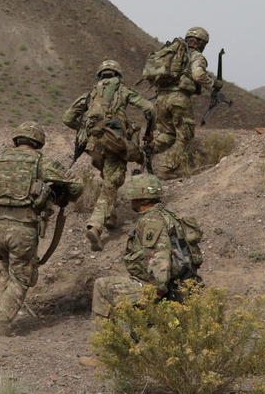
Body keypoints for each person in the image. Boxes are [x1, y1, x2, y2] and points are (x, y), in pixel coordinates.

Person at [0, 122, 83, 329]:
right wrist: (62, 199)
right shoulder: (41, 162)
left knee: (7, 268)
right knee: (22, 278)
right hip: (22, 228)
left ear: (17, 139)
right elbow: (77, 184)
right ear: (38, 141)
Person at [62, 60, 156, 251]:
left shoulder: (90, 95)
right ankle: (95, 225)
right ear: (117, 75)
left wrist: (85, 132)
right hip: (115, 144)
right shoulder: (122, 91)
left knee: (108, 177)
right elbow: (149, 108)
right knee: (111, 182)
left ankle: (111, 216)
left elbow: (67, 118)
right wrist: (149, 130)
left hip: (94, 146)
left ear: (100, 75)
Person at [91, 173, 203, 320]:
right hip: (178, 285)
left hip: (163, 288)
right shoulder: (168, 216)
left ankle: (105, 341)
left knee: (102, 286)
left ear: (137, 197)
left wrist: (157, 292)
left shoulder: (151, 221)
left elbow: (159, 255)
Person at [151, 27, 223, 180]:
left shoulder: (172, 53)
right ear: (202, 43)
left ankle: (144, 152)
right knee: (185, 136)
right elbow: (198, 74)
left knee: (168, 134)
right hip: (179, 99)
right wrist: (212, 84)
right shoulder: (196, 56)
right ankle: (165, 170)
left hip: (161, 98)